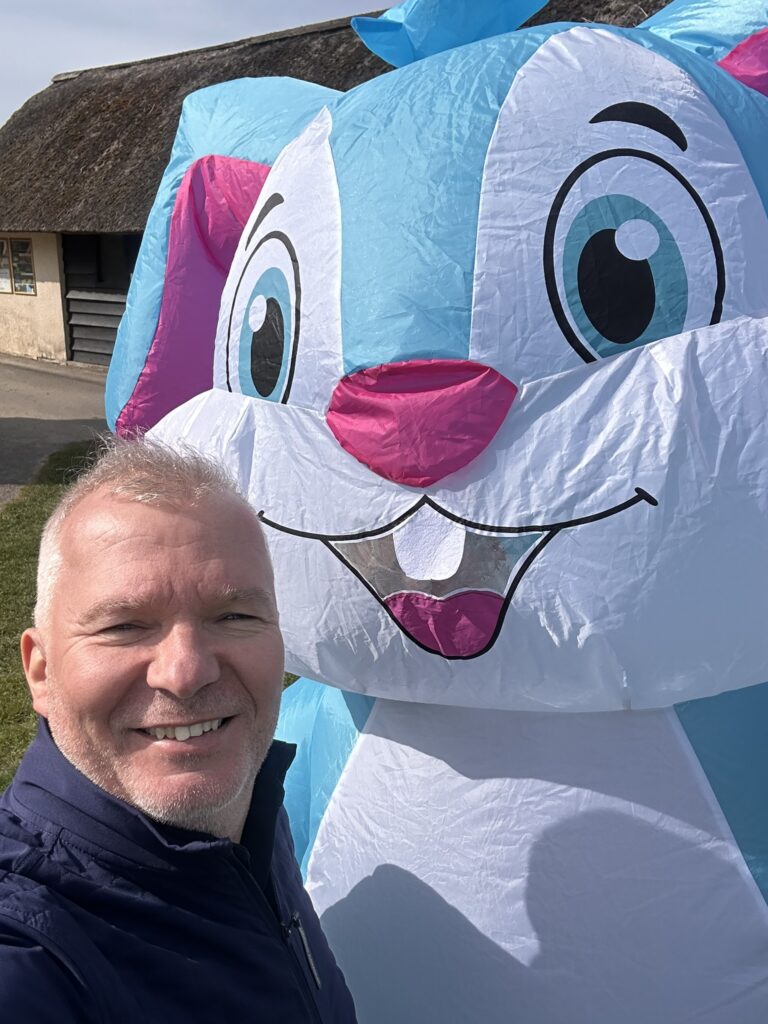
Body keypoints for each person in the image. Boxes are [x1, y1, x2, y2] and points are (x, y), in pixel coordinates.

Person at [0, 438, 357, 1023]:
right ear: (41, 671)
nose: (187, 673)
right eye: (124, 626)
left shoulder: (251, 809)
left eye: (234, 616)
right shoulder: (28, 956)